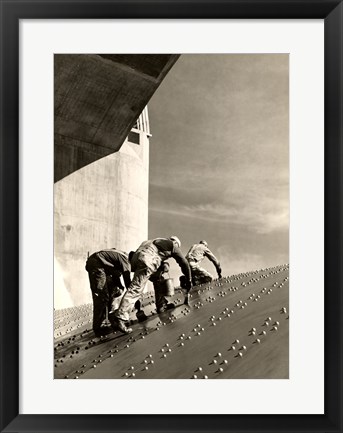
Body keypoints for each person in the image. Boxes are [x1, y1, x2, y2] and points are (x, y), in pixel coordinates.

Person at [113, 236, 192, 334]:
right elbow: (183, 262)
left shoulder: (151, 241)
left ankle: (161, 305)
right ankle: (121, 317)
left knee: (158, 279)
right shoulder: (172, 245)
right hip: (147, 260)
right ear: (175, 243)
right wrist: (188, 280)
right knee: (136, 288)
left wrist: (163, 265)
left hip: (136, 259)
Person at [85, 248, 131, 337]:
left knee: (110, 293)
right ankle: (99, 328)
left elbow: (116, 275)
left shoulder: (117, 258)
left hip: (97, 264)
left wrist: (120, 286)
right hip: (97, 264)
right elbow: (127, 280)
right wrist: (134, 297)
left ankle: (109, 322)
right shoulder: (126, 260)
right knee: (102, 296)